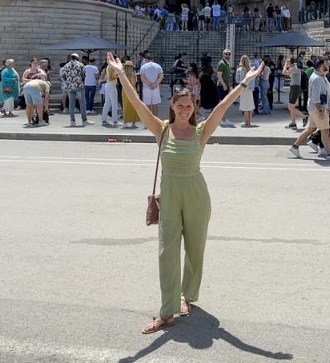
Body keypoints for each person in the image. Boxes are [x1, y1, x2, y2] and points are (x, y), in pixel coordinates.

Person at [106, 52, 264, 333]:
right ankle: (166, 311)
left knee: (195, 250)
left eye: (188, 105)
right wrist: (121, 74)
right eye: (180, 105)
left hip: (196, 195)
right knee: (167, 251)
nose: (184, 109)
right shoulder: (161, 129)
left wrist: (244, 83)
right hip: (170, 195)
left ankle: (188, 297)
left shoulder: (202, 131)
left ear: (194, 106)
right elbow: (138, 103)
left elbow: (222, 109)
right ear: (172, 106)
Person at [289, 57, 330, 161]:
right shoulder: (317, 78)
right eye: (325, 64)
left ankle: (295, 147)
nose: (327, 66)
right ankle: (329, 153)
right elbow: (316, 97)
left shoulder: (319, 76)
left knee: (311, 129)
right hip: (317, 107)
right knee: (325, 130)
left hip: (314, 107)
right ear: (321, 66)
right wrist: (321, 110)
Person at [60, 53, 87, 126]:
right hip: (79, 85)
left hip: (70, 87)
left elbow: (63, 76)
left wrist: (69, 81)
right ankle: (84, 120)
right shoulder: (81, 65)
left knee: (71, 104)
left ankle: (72, 121)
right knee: (82, 103)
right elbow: (84, 75)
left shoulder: (66, 65)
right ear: (77, 58)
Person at [284, 56, 307, 129]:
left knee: (290, 106)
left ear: (290, 62)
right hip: (293, 87)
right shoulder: (293, 67)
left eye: (287, 61)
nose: (286, 62)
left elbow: (284, 72)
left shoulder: (294, 68)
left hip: (295, 88)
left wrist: (285, 64)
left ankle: (304, 116)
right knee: (292, 106)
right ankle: (293, 123)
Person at [139, 52, 164, 119]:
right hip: (155, 88)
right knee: (155, 104)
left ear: (146, 59)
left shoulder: (143, 67)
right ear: (153, 59)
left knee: (148, 105)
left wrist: (150, 84)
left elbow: (142, 78)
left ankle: (149, 120)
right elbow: (161, 76)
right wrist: (155, 84)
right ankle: (156, 119)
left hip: (147, 87)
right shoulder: (158, 66)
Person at [215, 50, 235, 127]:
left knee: (225, 103)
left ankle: (223, 119)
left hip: (225, 85)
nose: (228, 55)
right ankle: (223, 120)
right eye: (226, 54)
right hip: (222, 86)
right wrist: (223, 85)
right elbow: (219, 75)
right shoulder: (221, 63)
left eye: (229, 54)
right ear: (223, 54)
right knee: (224, 103)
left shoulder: (226, 63)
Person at [235, 55, 256, 127]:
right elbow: (253, 79)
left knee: (245, 106)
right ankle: (249, 122)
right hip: (250, 89)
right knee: (250, 106)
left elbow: (237, 80)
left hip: (243, 89)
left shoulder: (239, 69)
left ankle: (246, 122)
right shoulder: (251, 69)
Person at [101, 58, 121, 127]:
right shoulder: (111, 67)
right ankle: (115, 121)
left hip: (108, 85)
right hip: (112, 85)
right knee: (114, 104)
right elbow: (111, 77)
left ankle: (104, 120)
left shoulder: (108, 66)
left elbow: (109, 77)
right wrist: (118, 74)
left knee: (107, 103)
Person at [121, 58, 140, 128]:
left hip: (125, 90)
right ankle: (133, 122)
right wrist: (135, 77)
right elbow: (133, 83)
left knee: (125, 106)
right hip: (132, 90)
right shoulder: (132, 74)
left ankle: (125, 122)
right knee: (133, 106)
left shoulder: (122, 73)